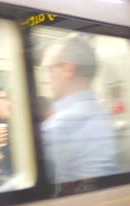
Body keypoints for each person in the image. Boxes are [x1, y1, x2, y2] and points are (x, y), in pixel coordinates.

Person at [39, 36, 118, 184]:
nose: (44, 80)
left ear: (68, 69)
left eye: (49, 69)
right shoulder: (101, 114)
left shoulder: (56, 128)